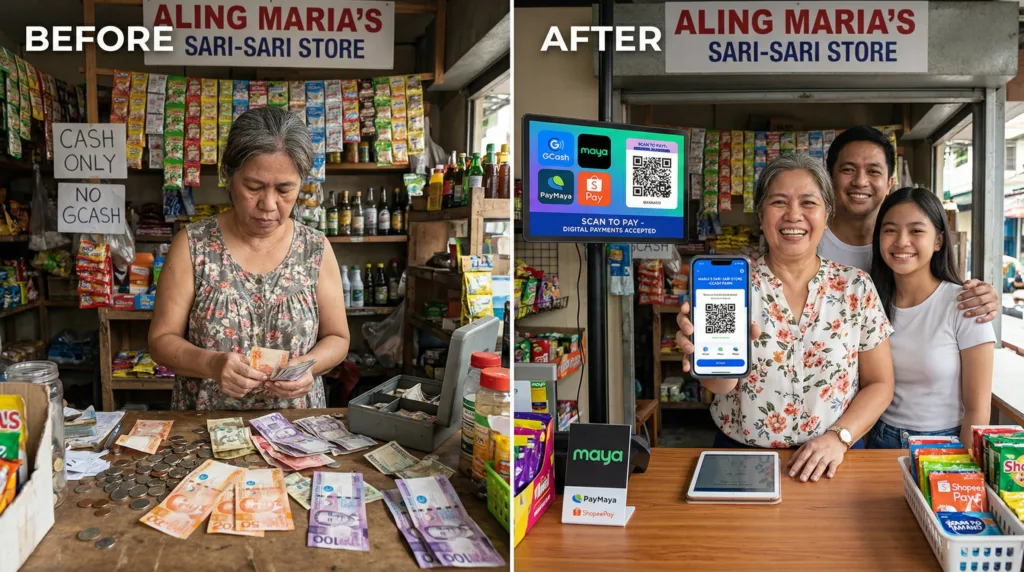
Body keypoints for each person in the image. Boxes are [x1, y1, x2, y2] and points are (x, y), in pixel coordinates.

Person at [675, 153, 895, 482]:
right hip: (741, 459)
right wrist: (704, 356)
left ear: (826, 214)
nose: (794, 215)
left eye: (809, 202)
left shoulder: (855, 287)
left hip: (834, 460)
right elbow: (720, 387)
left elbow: (880, 383)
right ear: (761, 215)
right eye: (779, 202)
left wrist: (839, 437)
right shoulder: (733, 286)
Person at [149, 107, 350, 410]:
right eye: (253, 187)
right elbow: (161, 341)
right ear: (229, 178)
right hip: (206, 430)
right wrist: (213, 364)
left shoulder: (315, 248)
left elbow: (337, 337)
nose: (268, 204)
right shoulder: (193, 245)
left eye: (285, 189)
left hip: (295, 428)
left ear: (302, 184)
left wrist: (310, 365)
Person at [820, 126, 999, 323]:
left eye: (873, 171)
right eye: (848, 170)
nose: (861, 181)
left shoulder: (903, 250)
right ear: (829, 178)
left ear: (889, 183)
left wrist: (982, 297)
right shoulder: (809, 244)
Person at [867, 188, 995, 449]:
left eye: (916, 231)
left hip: (946, 443)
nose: (902, 241)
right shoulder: (869, 301)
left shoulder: (965, 304)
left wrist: (963, 468)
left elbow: (978, 409)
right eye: (890, 230)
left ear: (938, 241)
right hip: (880, 437)